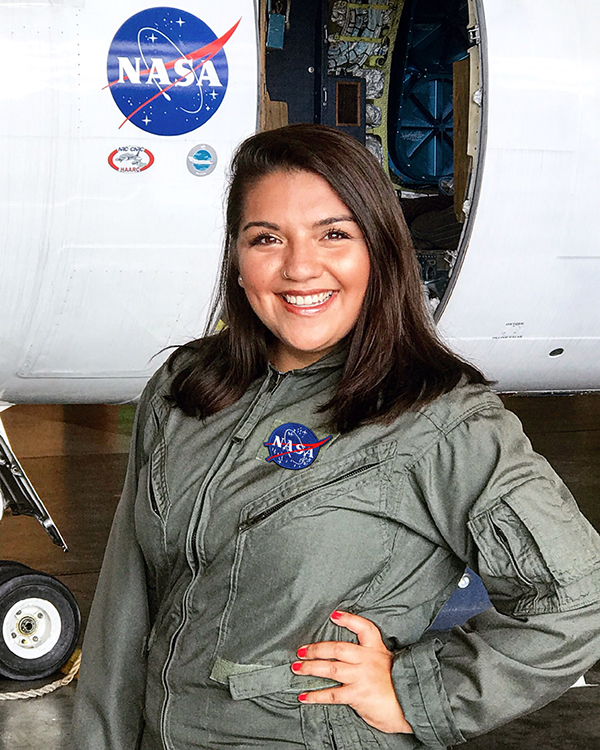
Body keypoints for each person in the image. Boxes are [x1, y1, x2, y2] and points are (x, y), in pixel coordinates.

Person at [73, 124, 600, 749]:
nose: (299, 267)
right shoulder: (185, 389)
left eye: (334, 235)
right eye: (266, 238)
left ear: (378, 251)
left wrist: (417, 693)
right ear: (237, 262)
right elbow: (123, 608)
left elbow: (576, 599)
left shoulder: (438, 419)